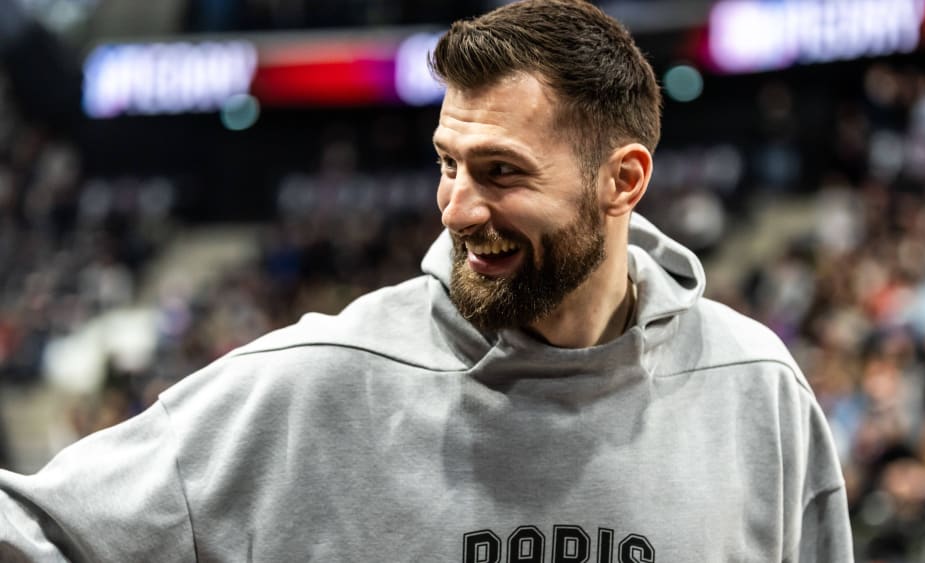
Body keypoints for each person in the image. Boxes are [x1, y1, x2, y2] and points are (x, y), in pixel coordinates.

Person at [0, 0, 853, 560]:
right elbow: (38, 530)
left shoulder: (755, 386)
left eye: (501, 172)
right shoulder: (319, 379)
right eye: (448, 164)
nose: (456, 208)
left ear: (622, 181)